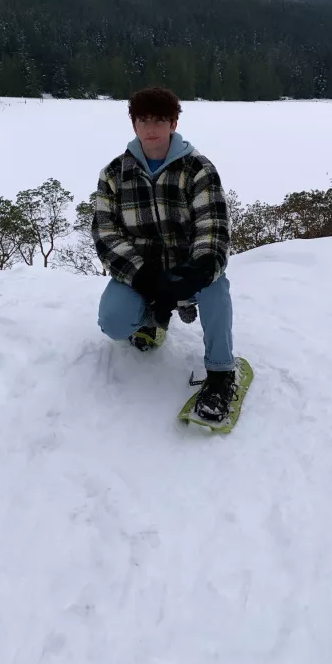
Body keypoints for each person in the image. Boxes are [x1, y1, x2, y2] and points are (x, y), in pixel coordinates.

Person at [91, 86, 236, 422]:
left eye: (159, 119)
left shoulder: (197, 169)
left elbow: (212, 226)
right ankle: (150, 321)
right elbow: (105, 233)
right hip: (142, 271)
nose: (151, 128)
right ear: (134, 125)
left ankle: (220, 373)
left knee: (216, 289)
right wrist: (143, 277)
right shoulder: (114, 174)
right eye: (143, 120)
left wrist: (199, 270)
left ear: (173, 123)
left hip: (189, 267)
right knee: (112, 321)